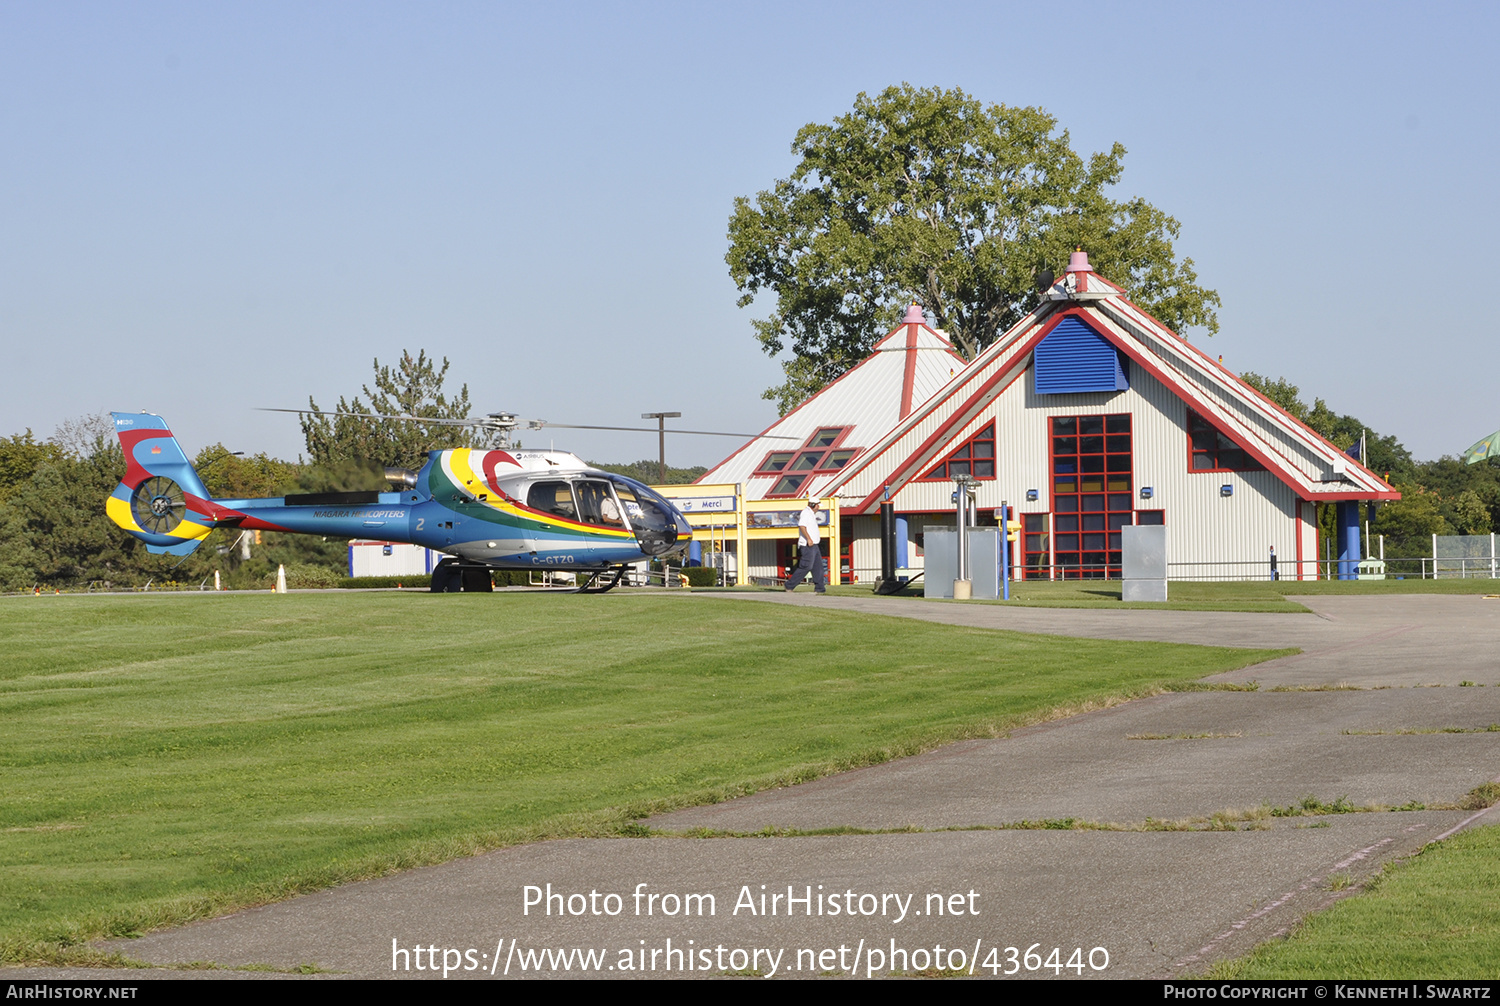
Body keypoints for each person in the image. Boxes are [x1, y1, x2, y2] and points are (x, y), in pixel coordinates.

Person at [784, 495, 827, 593]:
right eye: (817, 505)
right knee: (806, 566)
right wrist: (809, 539)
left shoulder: (811, 514)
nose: (818, 507)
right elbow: (802, 526)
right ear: (812, 505)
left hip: (814, 545)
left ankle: (820, 588)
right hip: (808, 545)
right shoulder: (806, 513)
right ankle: (789, 585)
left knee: (818, 567)